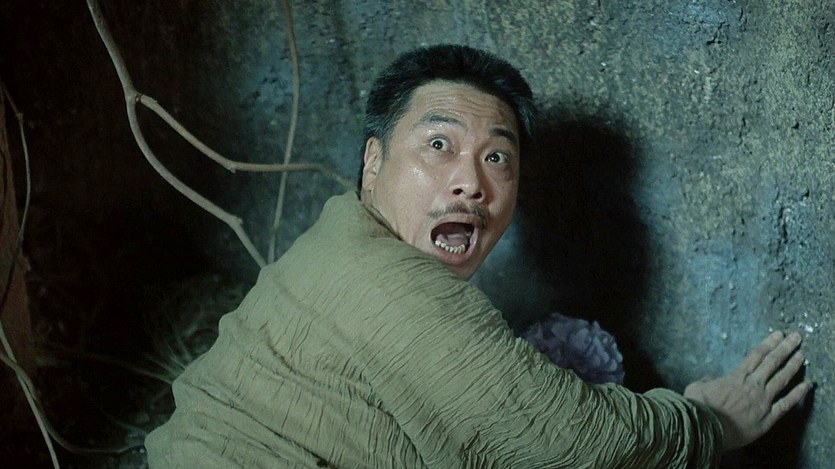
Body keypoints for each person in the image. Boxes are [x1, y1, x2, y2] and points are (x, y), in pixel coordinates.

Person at [145, 44, 812, 468]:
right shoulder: (382, 280)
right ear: (373, 162)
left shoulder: (335, 240)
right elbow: (566, 438)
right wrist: (709, 422)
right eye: (438, 146)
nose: (470, 181)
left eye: (496, 157)